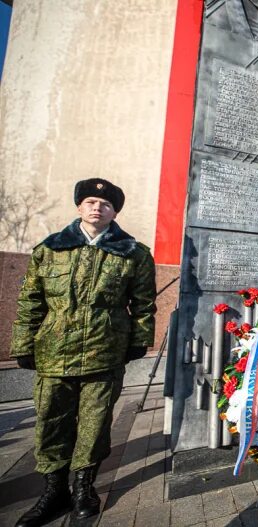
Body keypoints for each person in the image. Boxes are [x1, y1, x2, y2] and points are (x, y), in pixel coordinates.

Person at [10, 179, 156, 526]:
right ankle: (53, 490)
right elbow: (30, 301)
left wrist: (139, 339)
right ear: (79, 207)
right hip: (54, 352)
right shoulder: (50, 250)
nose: (97, 208)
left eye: (105, 204)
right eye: (90, 201)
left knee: (95, 423)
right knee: (51, 422)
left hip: (104, 353)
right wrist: (23, 343)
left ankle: (83, 487)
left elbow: (145, 304)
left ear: (114, 212)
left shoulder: (133, 253)